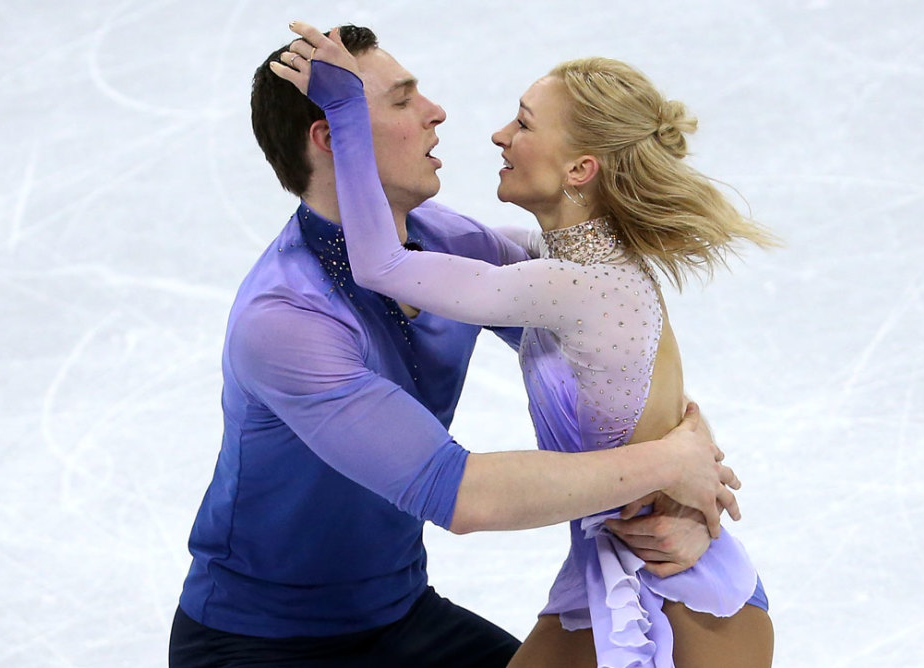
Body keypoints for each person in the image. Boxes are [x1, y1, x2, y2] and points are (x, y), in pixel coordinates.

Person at [170, 24, 745, 668]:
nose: (436, 111)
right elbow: (463, 494)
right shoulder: (285, 318)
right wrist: (669, 464)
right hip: (259, 646)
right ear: (336, 137)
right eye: (402, 100)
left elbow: (613, 345)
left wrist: (687, 498)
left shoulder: (449, 247)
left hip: (404, 619)